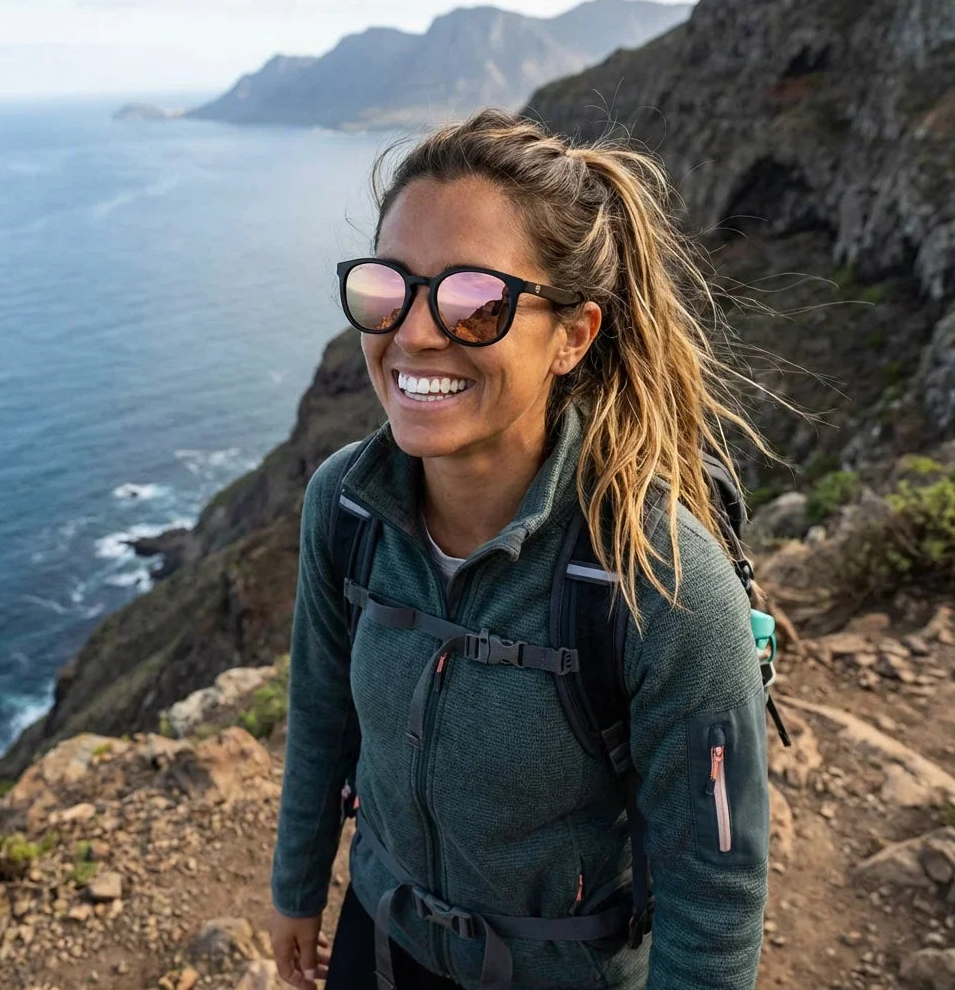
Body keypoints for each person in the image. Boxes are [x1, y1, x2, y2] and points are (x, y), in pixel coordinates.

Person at [269, 108, 784, 990]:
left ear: (573, 337)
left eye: (476, 301)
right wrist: (297, 888)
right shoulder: (345, 506)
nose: (417, 334)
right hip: (382, 940)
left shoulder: (659, 576)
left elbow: (717, 888)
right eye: (387, 288)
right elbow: (321, 715)